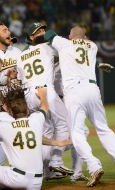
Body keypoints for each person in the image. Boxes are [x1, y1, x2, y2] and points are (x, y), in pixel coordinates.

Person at [44, 25, 115, 187]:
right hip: (93, 89)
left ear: (70, 36)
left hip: (74, 91)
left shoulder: (64, 43)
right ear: (85, 37)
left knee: (77, 132)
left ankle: (94, 166)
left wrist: (61, 38)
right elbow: (81, 52)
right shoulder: (93, 46)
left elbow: (49, 34)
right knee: (104, 128)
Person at [0, 86, 71, 190]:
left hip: (16, 178)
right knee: (1, 184)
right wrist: (43, 94)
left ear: (10, 111)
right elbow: (44, 107)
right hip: (36, 183)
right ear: (27, 110)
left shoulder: (3, 127)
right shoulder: (36, 120)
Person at [17, 22, 73, 178]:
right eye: (38, 31)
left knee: (46, 132)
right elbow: (69, 49)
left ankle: (42, 171)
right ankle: (56, 161)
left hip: (29, 96)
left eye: (43, 29)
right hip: (45, 91)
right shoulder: (48, 47)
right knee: (64, 124)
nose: (42, 32)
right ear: (31, 36)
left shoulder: (21, 56)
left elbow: (21, 79)